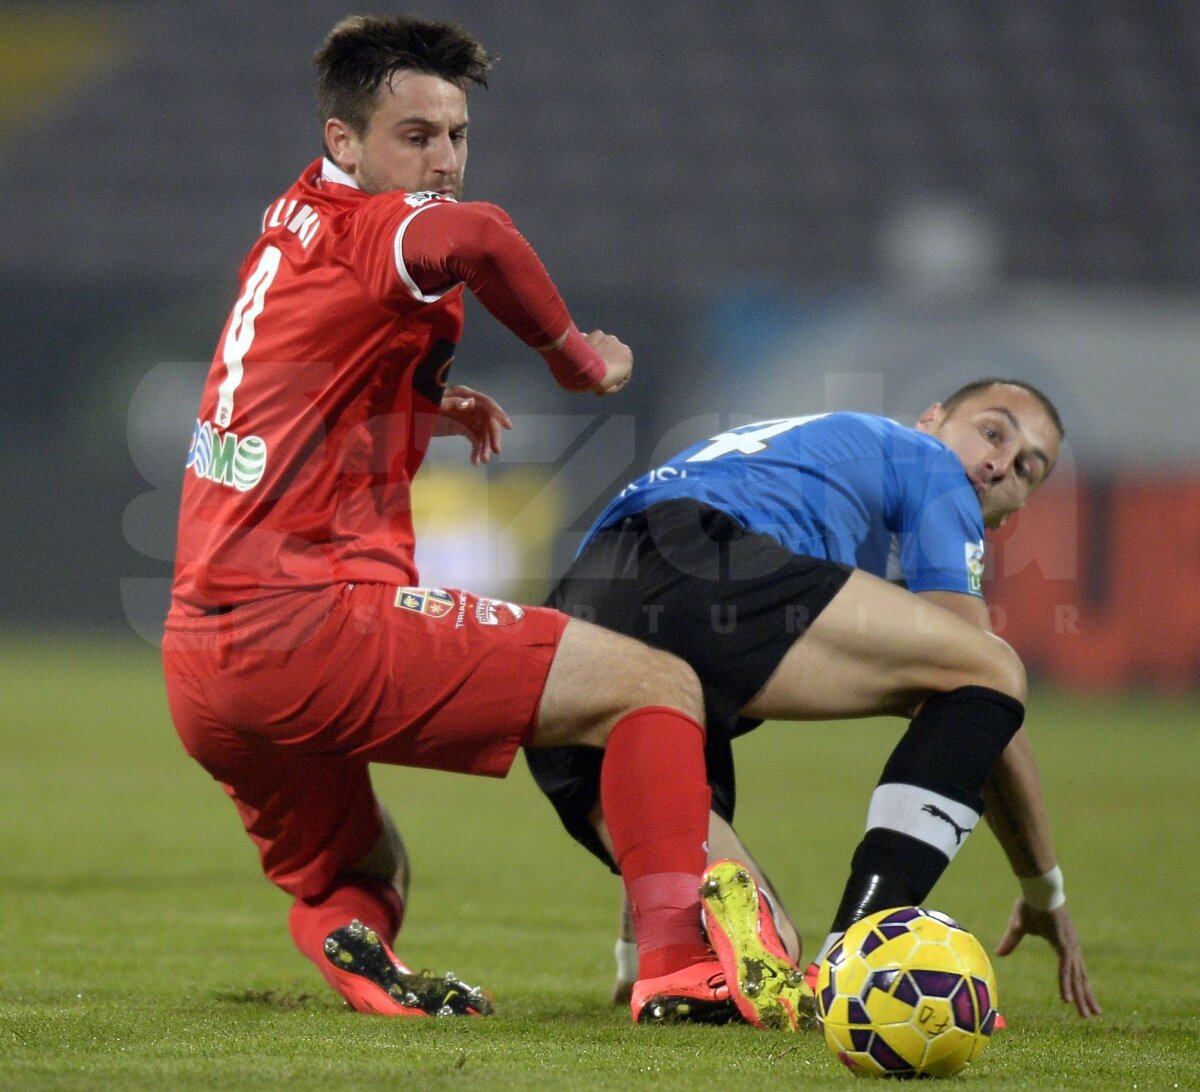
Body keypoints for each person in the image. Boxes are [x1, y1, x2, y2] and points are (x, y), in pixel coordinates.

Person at [161, 14, 806, 1029]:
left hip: (202, 666)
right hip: (310, 624)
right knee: (655, 687)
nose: (444, 162)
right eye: (416, 136)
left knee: (360, 868)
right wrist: (577, 362)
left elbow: (299, 362)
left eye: (457, 135)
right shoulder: (384, 226)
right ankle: (680, 970)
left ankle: (358, 958)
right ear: (344, 141)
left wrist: (420, 396)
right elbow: (481, 238)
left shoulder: (295, 220)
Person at [526, 378, 1103, 1020]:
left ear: (1014, 511)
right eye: (993, 432)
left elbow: (644, 658)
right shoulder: (929, 462)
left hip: (576, 630)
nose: (999, 464)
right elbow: (985, 688)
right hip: (695, 563)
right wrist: (1043, 888)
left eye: (1026, 469)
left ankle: (665, 962)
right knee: (989, 669)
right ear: (931, 420)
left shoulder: (810, 459)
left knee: (766, 949)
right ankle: (854, 952)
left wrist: (634, 941)